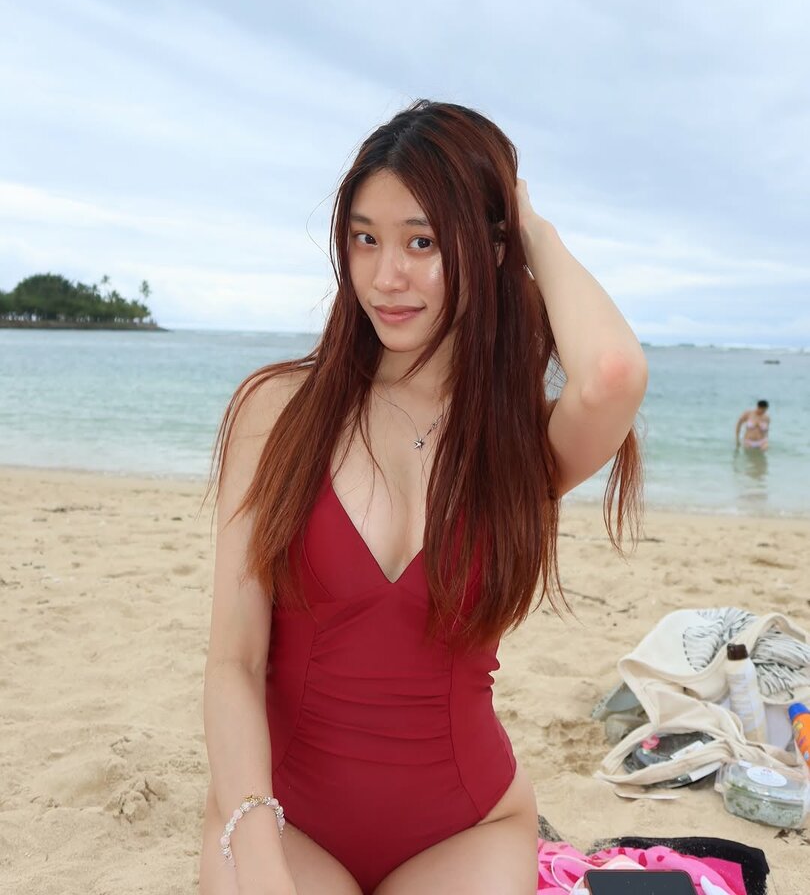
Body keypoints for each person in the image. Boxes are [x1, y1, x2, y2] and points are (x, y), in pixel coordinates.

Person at [198, 100, 648, 895]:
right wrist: (256, 846)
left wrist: (530, 227)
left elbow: (611, 375)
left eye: (423, 241)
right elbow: (235, 660)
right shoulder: (277, 412)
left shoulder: (519, 446)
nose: (386, 276)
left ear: (490, 248)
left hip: (468, 828)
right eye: (365, 238)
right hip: (285, 820)